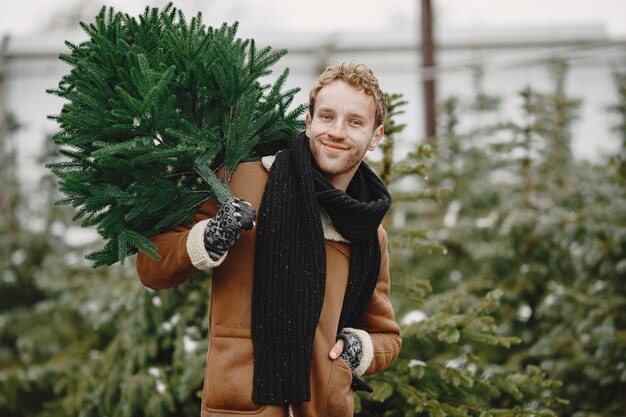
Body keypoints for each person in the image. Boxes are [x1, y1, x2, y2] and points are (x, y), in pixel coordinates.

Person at [137, 61, 402, 417]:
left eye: (355, 122)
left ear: (375, 137)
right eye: (326, 117)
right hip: (242, 408)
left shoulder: (369, 231)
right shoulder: (246, 183)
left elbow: (387, 336)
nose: (337, 131)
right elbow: (151, 266)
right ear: (308, 124)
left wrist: (357, 349)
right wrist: (212, 237)